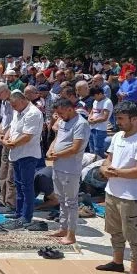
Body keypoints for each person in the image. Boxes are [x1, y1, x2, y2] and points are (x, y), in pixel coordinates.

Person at [97, 101, 137, 274]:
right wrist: (105, 168)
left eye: (121, 119)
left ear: (135, 119)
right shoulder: (117, 136)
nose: (118, 122)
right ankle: (117, 262)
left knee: (133, 236)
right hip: (112, 192)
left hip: (131, 197)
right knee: (114, 231)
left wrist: (114, 172)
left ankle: (135, 273)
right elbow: (109, 159)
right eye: (117, 118)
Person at [46, 98, 90, 245]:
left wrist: (57, 155)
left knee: (71, 202)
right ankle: (63, 228)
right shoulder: (63, 121)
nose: (59, 116)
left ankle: (71, 234)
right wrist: (50, 150)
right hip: (58, 166)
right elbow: (57, 139)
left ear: (70, 109)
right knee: (61, 199)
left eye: (61, 113)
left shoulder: (81, 124)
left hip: (70, 169)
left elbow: (75, 148)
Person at [1, 90, 44, 228]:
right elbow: (12, 127)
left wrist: (12, 144)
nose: (13, 108)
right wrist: (5, 138)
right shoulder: (18, 111)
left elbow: (27, 136)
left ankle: (26, 216)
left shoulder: (33, 113)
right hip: (16, 154)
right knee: (18, 185)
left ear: (22, 100)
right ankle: (19, 212)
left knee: (27, 186)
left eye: (15, 105)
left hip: (27, 154)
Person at [0, 83, 16, 211]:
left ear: (6, 91)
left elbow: (15, 122)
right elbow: (4, 120)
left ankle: (10, 202)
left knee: (11, 173)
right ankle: (3, 198)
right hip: (4, 140)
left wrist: (5, 136)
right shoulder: (4, 102)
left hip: (12, 140)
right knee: (3, 170)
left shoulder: (15, 100)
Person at [87, 86, 113, 157]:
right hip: (92, 127)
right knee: (92, 149)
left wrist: (94, 121)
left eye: (95, 96)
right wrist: (89, 118)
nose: (94, 98)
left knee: (98, 150)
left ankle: (103, 161)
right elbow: (92, 112)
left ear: (100, 94)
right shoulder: (95, 101)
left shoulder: (107, 102)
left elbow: (105, 117)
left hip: (100, 129)